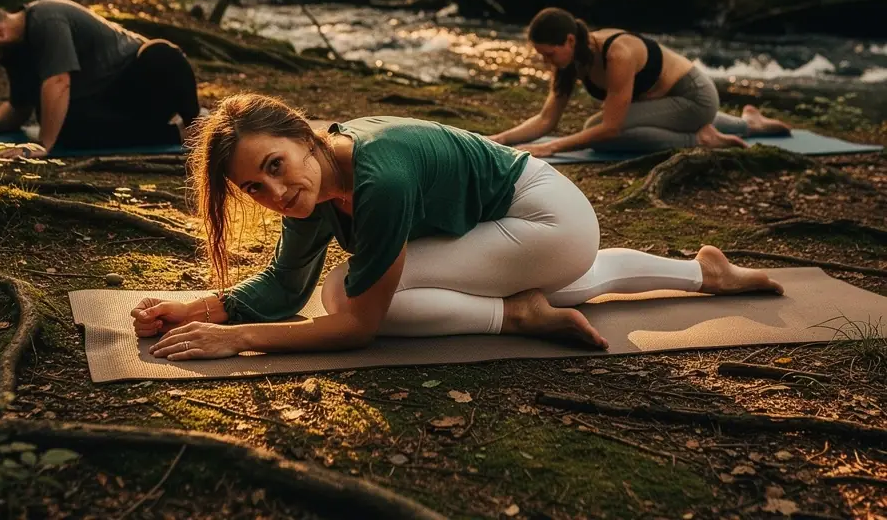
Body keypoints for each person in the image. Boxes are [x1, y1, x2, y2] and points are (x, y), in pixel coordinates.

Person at [131, 94, 782, 360]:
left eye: (274, 167)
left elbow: (357, 327)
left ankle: (517, 316)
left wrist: (238, 341)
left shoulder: (378, 179)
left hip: (545, 217)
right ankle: (703, 272)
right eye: (255, 188)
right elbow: (281, 284)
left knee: (342, 294)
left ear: (305, 136)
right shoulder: (314, 185)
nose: (274, 192)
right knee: (347, 284)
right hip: (536, 228)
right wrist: (205, 307)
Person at [488, 7, 790, 157]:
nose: (546, 62)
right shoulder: (568, 60)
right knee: (596, 128)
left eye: (549, 54)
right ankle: (750, 124)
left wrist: (552, 148)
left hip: (694, 97)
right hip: (663, 102)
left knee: (599, 131)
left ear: (569, 40)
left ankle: (699, 139)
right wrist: (497, 140)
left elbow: (611, 128)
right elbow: (545, 119)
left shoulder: (616, 53)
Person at [0, 0, 199, 159]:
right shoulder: (14, 53)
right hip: (110, 107)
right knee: (66, 129)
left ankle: (195, 124)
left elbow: (59, 81)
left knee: (161, 54)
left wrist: (42, 146)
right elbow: (18, 108)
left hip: (143, 83)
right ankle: (175, 134)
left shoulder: (47, 18)